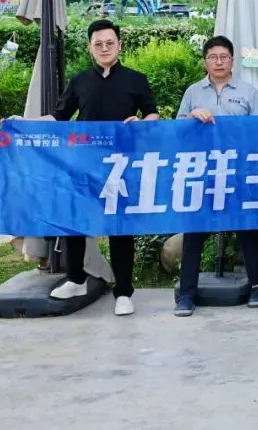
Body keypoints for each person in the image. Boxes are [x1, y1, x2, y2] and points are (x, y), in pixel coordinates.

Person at [11, 19, 159, 316]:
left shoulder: (136, 79)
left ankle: (124, 292)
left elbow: (153, 114)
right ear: (90, 47)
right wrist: (22, 124)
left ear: (119, 45)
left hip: (120, 166)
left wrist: (142, 122)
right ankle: (77, 279)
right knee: (74, 221)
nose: (104, 48)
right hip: (83, 165)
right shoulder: (80, 81)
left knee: (120, 228)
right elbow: (58, 118)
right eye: (98, 44)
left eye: (109, 43)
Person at [174, 36, 258, 317]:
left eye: (224, 57)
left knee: (247, 228)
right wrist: (191, 117)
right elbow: (177, 130)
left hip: (238, 171)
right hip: (202, 172)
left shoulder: (248, 92)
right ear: (205, 61)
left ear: (232, 61)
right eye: (213, 57)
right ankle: (187, 294)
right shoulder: (193, 92)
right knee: (194, 232)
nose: (218, 62)